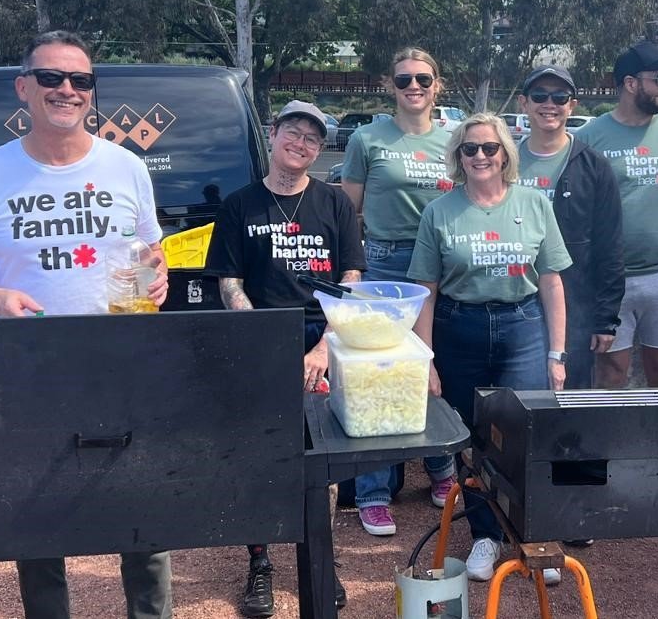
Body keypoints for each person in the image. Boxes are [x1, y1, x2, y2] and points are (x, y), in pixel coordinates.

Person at [0, 31, 172, 619]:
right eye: (51, 78)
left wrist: (155, 281)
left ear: (91, 93)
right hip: (28, 368)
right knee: (39, 514)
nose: (66, 90)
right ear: (24, 88)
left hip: (120, 360)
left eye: (80, 81)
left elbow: (150, 255)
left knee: (138, 507)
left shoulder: (126, 167)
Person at [204, 101, 359, 617]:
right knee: (260, 453)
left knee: (325, 459)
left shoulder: (335, 203)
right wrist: (264, 340)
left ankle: (321, 557)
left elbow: (351, 281)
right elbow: (229, 281)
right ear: (274, 135)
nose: (302, 144)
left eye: (313, 139)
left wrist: (322, 348)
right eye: (293, 133)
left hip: (323, 338)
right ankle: (261, 561)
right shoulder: (240, 205)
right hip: (261, 339)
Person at [407, 113, 572, 583]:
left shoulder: (535, 203)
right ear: (458, 157)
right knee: (473, 436)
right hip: (460, 326)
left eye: (489, 148)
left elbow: (553, 283)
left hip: (522, 327)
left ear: (505, 154)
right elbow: (425, 289)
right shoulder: (439, 211)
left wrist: (557, 355)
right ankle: (485, 534)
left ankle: (530, 535)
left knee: (527, 433)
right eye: (470, 149)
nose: (480, 156)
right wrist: (428, 359)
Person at [339, 47, 457, 537]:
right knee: (380, 375)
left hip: (444, 263)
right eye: (404, 79)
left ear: (437, 84)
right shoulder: (367, 139)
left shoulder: (456, 142)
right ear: (390, 85)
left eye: (423, 79)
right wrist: (356, 272)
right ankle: (373, 491)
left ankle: (439, 470)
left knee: (433, 369)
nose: (414, 87)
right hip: (386, 262)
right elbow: (349, 213)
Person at [575, 41, 658, 390]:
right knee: (610, 377)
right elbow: (577, 213)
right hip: (609, 281)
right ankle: (611, 446)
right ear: (631, 84)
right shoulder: (587, 138)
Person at [513, 65, 625, 391]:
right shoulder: (502, 162)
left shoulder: (593, 166)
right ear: (524, 103)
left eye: (560, 96)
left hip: (575, 306)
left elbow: (610, 245)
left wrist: (605, 319)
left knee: (567, 400)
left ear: (572, 105)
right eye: (540, 96)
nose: (550, 104)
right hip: (516, 305)